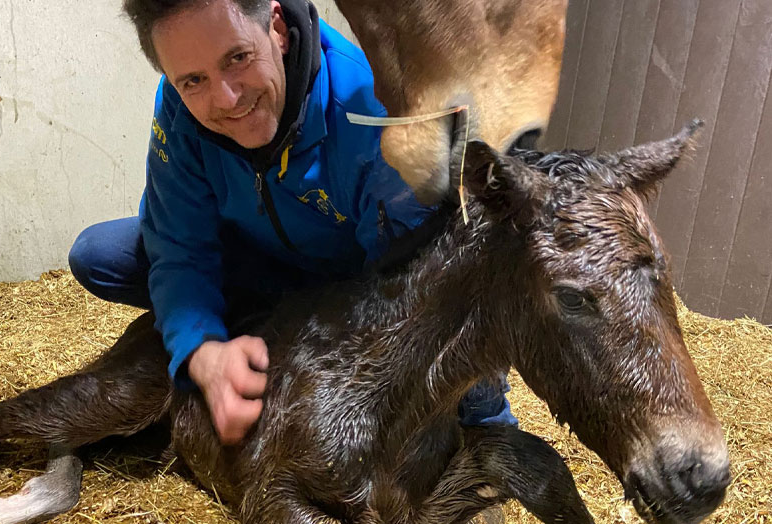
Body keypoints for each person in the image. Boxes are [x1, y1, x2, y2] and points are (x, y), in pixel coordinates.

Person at [69, 0, 517, 445]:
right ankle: (253, 327)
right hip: (267, 258)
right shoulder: (177, 108)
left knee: (443, 284)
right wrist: (201, 351)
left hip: (359, 276)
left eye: (238, 58)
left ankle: (487, 424)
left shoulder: (377, 110)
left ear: (278, 28)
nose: (226, 99)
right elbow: (177, 246)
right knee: (101, 256)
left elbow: (418, 283)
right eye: (193, 80)